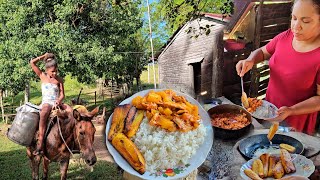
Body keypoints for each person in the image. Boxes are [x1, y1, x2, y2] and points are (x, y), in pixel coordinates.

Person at [236, 0, 320, 135]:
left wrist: (291, 110)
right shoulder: (286, 36)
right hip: (269, 112)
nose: (296, 27)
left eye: (306, 21)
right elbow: (263, 52)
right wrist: (250, 60)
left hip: (295, 124)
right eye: (294, 18)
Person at [30, 52, 71, 155]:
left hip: (57, 102)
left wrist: (58, 101)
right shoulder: (42, 76)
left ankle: (72, 139)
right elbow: (32, 63)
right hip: (46, 102)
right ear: (47, 70)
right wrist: (43, 56)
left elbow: (62, 94)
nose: (55, 73)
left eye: (56, 71)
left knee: (71, 111)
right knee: (44, 112)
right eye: (52, 71)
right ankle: (40, 141)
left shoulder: (59, 80)